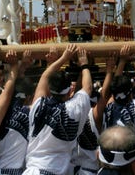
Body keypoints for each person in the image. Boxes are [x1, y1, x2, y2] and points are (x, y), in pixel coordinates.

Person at [23, 44, 92, 175]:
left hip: (33, 170)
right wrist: (84, 64)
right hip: (57, 170)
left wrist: (63, 58)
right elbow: (87, 88)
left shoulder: (39, 104)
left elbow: (44, 78)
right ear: (70, 90)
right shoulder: (73, 109)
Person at [103, 44, 135, 149]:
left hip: (116, 151)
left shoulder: (109, 107)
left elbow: (115, 87)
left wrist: (121, 61)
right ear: (131, 91)